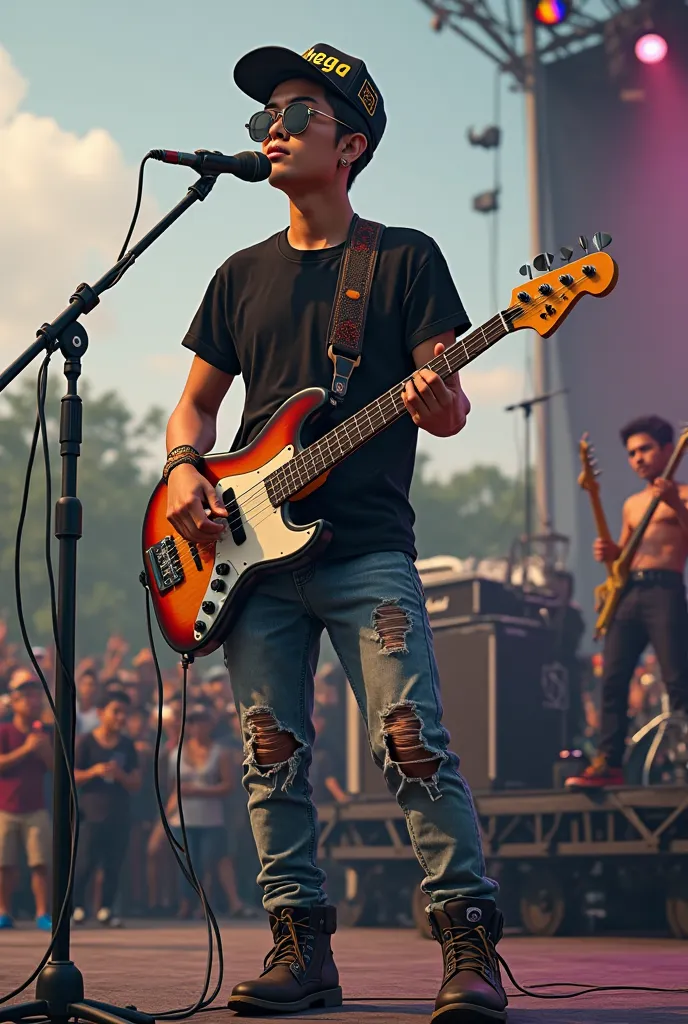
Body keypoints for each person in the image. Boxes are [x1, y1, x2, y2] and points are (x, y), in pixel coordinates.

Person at [164, 42, 506, 1023]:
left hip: (365, 550)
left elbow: (445, 406)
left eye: (296, 111)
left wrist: (437, 397)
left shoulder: (403, 259)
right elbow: (193, 411)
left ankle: (467, 944)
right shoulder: (238, 274)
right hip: (249, 558)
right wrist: (186, 469)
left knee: (412, 744)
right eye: (262, 115)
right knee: (270, 756)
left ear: (349, 142)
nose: (270, 128)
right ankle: (299, 946)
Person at [567, 415, 688, 789]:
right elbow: (624, 557)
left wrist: (676, 505)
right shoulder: (633, 504)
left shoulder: (682, 494)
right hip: (629, 593)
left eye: (645, 449)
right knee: (614, 680)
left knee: (677, 679)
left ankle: (684, 757)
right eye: (632, 452)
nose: (637, 458)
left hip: (664, 589)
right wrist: (611, 550)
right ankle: (610, 763)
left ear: (668, 450)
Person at [73, 689, 140, 926]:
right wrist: (94, 772)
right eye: (116, 711)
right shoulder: (86, 742)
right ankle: (78, 906)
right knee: (85, 862)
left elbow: (136, 781)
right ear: (101, 713)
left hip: (119, 813)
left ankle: (107, 908)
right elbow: (72, 775)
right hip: (90, 813)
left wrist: (120, 775)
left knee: (114, 863)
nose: (121, 717)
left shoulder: (127, 745)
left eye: (124, 712)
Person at [0, 674, 53, 930]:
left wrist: (44, 752)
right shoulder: (4, 730)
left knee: (40, 863)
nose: (32, 701)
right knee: (4, 864)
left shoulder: (45, 732)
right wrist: (25, 750)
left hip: (36, 806)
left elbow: (57, 768)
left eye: (35, 695)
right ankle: (3, 911)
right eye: (27, 696)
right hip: (6, 807)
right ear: (15, 700)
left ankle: (42, 912)